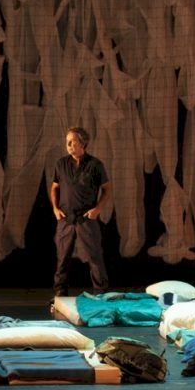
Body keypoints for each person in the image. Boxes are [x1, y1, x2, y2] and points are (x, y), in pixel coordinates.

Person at [50, 127, 112, 297]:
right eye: (67, 142)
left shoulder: (95, 165)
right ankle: (60, 293)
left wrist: (97, 209)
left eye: (72, 142)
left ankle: (100, 293)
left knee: (94, 257)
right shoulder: (61, 164)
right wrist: (55, 208)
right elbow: (54, 187)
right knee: (62, 258)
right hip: (66, 218)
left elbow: (107, 189)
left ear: (83, 143)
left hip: (86, 218)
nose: (69, 145)